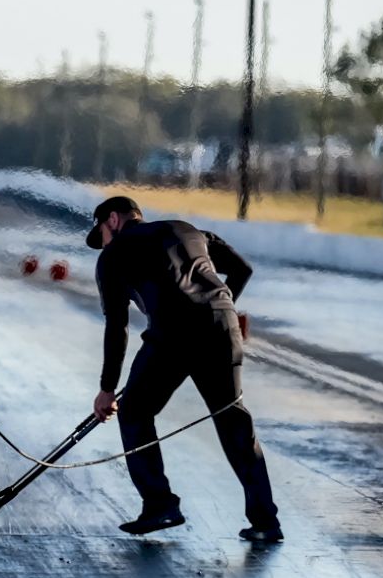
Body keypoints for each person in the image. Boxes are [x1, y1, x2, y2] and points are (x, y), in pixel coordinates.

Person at [87, 196, 282, 543]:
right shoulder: (189, 230)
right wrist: (224, 307)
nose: (101, 242)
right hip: (222, 326)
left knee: (133, 411)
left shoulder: (113, 255)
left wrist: (107, 388)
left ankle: (160, 504)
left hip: (172, 335)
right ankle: (266, 520)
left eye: (100, 232)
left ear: (113, 220)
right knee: (233, 419)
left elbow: (117, 326)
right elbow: (242, 270)